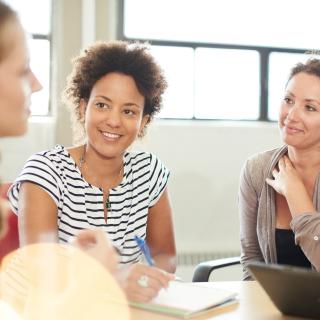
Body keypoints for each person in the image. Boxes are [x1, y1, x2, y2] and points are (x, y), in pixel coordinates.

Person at [8, 40, 176, 302]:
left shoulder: (149, 173)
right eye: (102, 105)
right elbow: (42, 275)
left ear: (143, 121)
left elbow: (166, 258)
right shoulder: (45, 172)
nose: (113, 120)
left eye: (129, 111)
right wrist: (114, 284)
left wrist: (144, 281)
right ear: (83, 107)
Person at [239, 58, 320, 280]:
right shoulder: (257, 169)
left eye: (310, 107)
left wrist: (295, 194)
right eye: (288, 100)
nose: (291, 115)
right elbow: (251, 261)